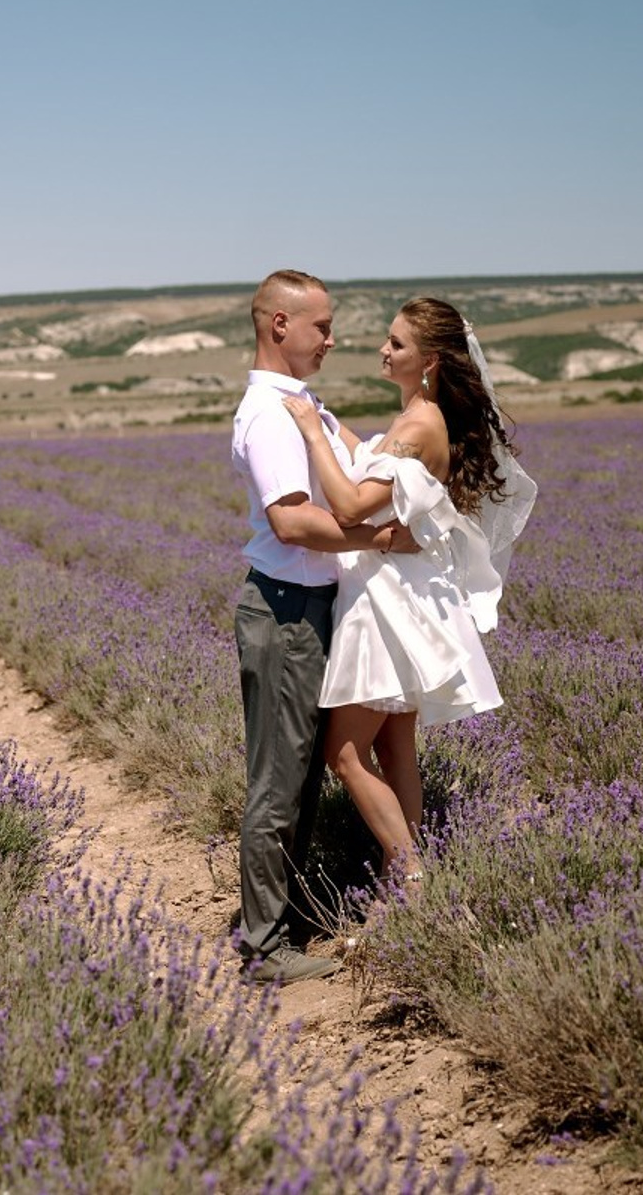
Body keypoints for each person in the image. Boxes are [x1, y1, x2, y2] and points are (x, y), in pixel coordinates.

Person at [282, 296, 536, 887]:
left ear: (431, 362)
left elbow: (347, 504)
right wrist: (322, 416)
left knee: (343, 754)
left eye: (396, 343)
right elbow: (367, 455)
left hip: (390, 603)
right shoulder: (415, 416)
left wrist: (307, 431)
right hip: (404, 593)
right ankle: (413, 868)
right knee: (396, 746)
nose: (382, 349)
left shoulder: (420, 424)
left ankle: (410, 876)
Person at [232, 270, 415, 985]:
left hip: (311, 609)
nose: (333, 341)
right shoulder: (271, 414)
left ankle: (290, 919)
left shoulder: (302, 403)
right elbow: (292, 520)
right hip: (284, 612)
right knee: (279, 782)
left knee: (305, 776)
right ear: (279, 324)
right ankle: (264, 949)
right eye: (321, 327)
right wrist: (375, 540)